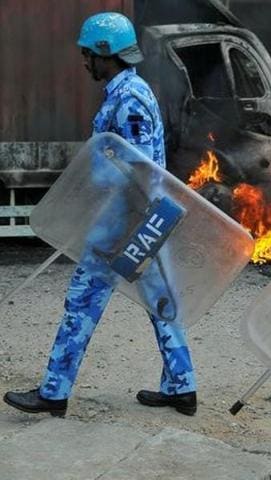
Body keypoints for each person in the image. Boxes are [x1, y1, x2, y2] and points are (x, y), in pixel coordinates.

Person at [3, 12, 197, 418]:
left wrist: (114, 222)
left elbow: (142, 169)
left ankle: (54, 393)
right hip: (142, 220)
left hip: (126, 222)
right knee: (161, 302)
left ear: (105, 53)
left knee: (82, 302)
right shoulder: (125, 91)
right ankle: (182, 387)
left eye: (88, 53)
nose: (84, 61)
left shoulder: (129, 98)